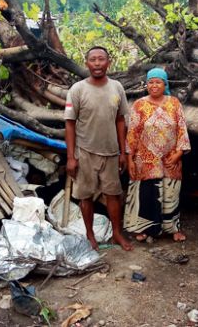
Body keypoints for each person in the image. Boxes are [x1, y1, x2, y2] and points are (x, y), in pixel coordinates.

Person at [64, 46, 133, 251]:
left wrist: (122, 152)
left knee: (113, 194)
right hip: (85, 151)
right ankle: (90, 235)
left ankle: (117, 234)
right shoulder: (77, 89)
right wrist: (71, 157)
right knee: (85, 196)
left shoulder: (117, 87)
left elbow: (121, 121)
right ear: (87, 63)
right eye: (93, 59)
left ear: (108, 62)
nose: (97, 63)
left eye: (101, 59)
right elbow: (69, 123)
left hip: (111, 153)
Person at [124, 68, 191, 242]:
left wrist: (178, 154)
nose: (154, 85)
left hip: (170, 159)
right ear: (146, 85)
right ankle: (145, 229)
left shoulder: (174, 103)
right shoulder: (139, 105)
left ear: (165, 84)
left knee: (171, 194)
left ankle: (172, 229)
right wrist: (129, 159)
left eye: (158, 82)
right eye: (151, 82)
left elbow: (182, 129)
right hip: (145, 160)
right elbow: (132, 133)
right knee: (146, 195)